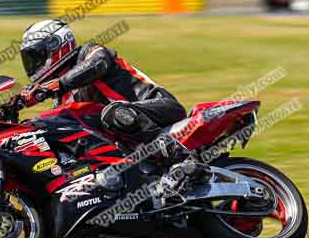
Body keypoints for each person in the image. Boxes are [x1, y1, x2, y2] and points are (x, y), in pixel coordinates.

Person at [18, 19, 186, 144]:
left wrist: (52, 87)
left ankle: (178, 156)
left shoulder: (89, 53)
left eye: (35, 56)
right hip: (127, 134)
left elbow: (98, 63)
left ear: (56, 44)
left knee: (113, 112)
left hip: (160, 107)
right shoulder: (62, 96)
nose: (33, 64)